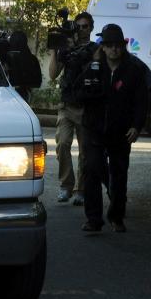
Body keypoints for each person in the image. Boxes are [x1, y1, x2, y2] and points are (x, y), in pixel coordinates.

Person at [75, 24, 148, 232]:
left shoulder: (133, 70)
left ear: (123, 46)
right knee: (92, 170)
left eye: (118, 45)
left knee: (119, 174)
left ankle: (117, 216)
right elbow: (78, 92)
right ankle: (93, 219)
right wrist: (92, 94)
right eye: (109, 45)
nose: (114, 49)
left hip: (121, 131)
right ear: (103, 47)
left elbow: (141, 101)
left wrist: (136, 126)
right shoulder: (94, 67)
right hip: (94, 129)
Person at [49, 12, 98, 205]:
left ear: (91, 28)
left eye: (85, 26)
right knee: (62, 144)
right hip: (66, 105)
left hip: (86, 106)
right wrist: (56, 50)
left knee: (85, 151)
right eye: (78, 26)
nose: (82, 30)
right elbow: (53, 74)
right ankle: (65, 186)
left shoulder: (95, 49)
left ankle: (81, 189)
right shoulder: (66, 49)